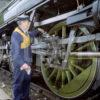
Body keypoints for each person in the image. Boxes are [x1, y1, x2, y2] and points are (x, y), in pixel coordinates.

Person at [11, 14, 44, 100]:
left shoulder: (25, 32)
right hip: (21, 66)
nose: (29, 24)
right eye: (27, 22)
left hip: (27, 64)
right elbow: (15, 54)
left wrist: (38, 31)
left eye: (29, 22)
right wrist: (23, 64)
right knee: (18, 84)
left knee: (26, 83)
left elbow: (31, 34)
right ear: (21, 23)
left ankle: (25, 98)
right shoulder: (16, 34)